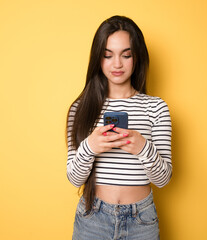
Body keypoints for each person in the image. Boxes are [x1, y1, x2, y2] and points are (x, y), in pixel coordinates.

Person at [66, 15, 172, 240]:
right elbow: (75, 178)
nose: (117, 64)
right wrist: (90, 147)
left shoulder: (156, 107)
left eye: (126, 55)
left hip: (141, 220)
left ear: (137, 57)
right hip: (92, 219)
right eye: (108, 55)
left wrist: (142, 147)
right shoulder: (81, 108)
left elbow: (163, 179)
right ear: (98, 58)